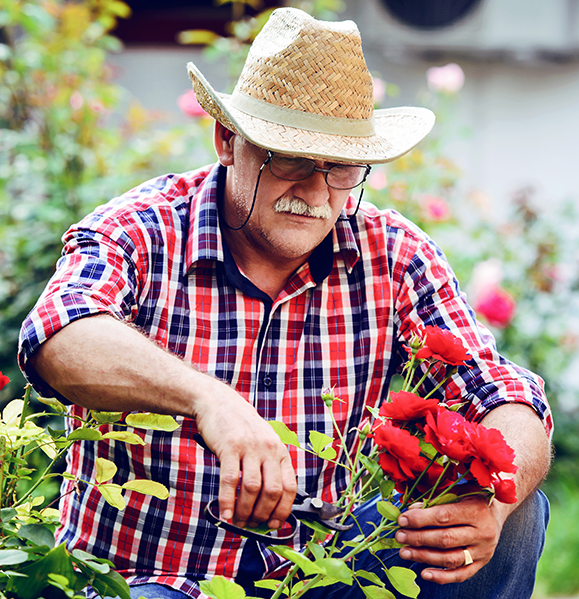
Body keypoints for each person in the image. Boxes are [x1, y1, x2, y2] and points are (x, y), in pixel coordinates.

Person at [19, 7, 551, 599]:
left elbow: (503, 394)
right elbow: (59, 336)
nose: (317, 193)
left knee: (517, 514)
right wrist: (208, 400)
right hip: (152, 580)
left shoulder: (391, 249)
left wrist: (495, 503)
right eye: (292, 160)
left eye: (341, 169)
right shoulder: (142, 228)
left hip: (319, 572)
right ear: (227, 140)